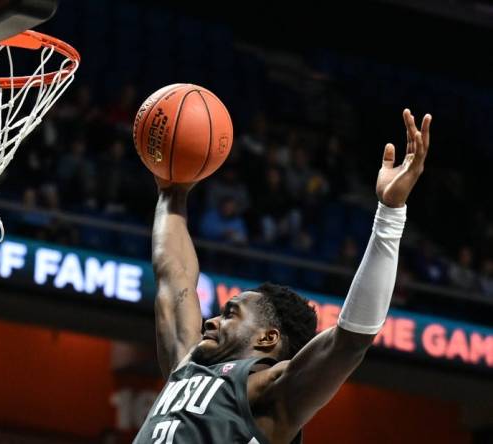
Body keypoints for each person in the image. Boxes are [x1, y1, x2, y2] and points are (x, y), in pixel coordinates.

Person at [134, 109, 431, 443]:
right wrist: (171, 190)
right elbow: (174, 275)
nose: (211, 322)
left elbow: (348, 343)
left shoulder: (269, 393)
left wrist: (390, 214)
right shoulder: (185, 365)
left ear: (267, 338)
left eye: (231, 313)